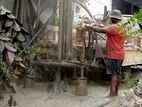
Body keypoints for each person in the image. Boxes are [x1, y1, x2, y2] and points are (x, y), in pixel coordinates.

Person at [85, 9, 127, 97]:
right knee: (118, 73)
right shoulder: (123, 27)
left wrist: (89, 26)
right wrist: (100, 25)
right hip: (120, 54)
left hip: (113, 54)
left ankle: (112, 94)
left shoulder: (114, 27)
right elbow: (106, 29)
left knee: (113, 74)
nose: (110, 19)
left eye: (111, 17)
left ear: (114, 18)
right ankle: (116, 93)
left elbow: (101, 30)